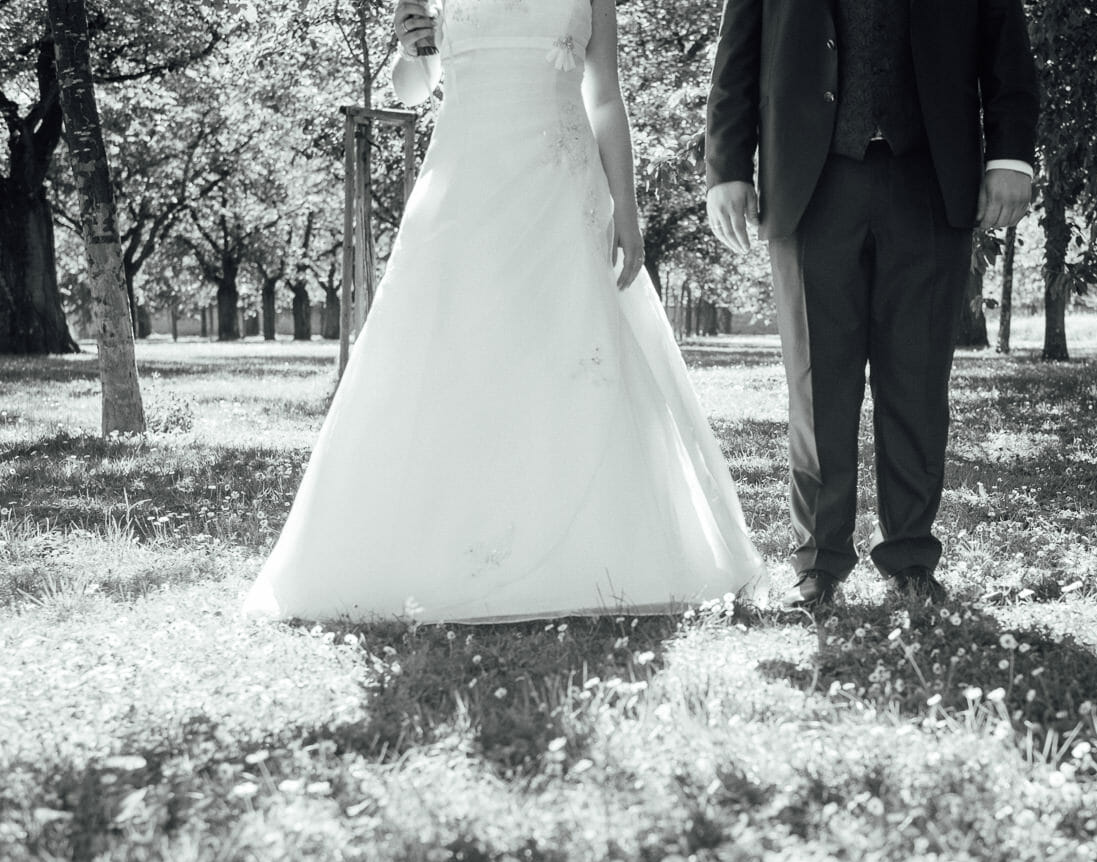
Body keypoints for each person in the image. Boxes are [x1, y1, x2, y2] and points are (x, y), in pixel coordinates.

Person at [244, 0, 766, 623]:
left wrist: (626, 208)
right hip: (466, 189)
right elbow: (412, 85)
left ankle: (590, 549)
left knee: (567, 354)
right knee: (455, 358)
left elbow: (605, 98)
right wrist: (409, 47)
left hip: (563, 192)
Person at [705, 0, 1040, 610]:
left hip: (932, 179)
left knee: (916, 382)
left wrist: (1011, 155)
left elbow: (1006, 49)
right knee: (817, 387)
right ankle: (817, 562)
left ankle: (911, 556)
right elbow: (738, 54)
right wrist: (726, 165)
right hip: (809, 181)